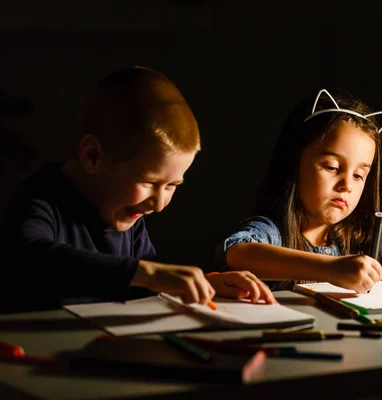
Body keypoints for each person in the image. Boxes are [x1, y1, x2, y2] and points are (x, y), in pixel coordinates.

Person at [0, 66, 275, 313]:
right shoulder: (41, 199)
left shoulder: (127, 216)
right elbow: (32, 257)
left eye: (172, 185)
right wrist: (146, 273)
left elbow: (148, 285)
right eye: (148, 183)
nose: (158, 203)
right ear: (92, 156)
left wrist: (206, 283)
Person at [215, 89, 382, 292]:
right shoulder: (274, 232)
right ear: (293, 163)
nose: (347, 185)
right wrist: (331, 268)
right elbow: (237, 254)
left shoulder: (359, 237)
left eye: (359, 175)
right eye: (332, 167)